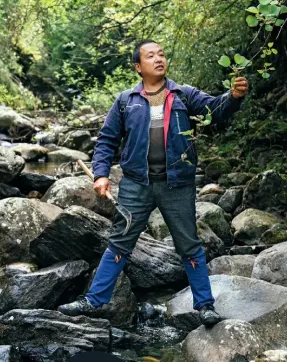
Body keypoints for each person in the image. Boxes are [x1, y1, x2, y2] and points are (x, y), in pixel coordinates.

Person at [58, 40, 248, 326]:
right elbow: (107, 140)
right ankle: (94, 301)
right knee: (120, 242)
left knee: (189, 245)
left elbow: (215, 110)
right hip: (136, 184)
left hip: (177, 184)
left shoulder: (184, 95)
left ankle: (205, 306)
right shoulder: (125, 101)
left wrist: (233, 97)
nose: (158, 59)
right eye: (150, 56)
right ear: (138, 67)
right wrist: (100, 174)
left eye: (161, 54)